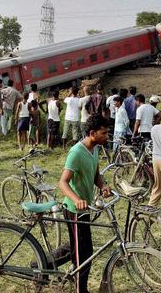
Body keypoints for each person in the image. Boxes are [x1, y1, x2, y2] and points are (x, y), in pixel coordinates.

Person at [58, 115, 111, 292]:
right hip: (74, 209)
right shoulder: (76, 152)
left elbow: (96, 175)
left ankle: (40, 263)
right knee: (83, 255)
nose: (107, 136)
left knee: (78, 248)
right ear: (92, 133)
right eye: (104, 133)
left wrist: (103, 185)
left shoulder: (95, 148)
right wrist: (77, 200)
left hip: (85, 209)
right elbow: (63, 182)